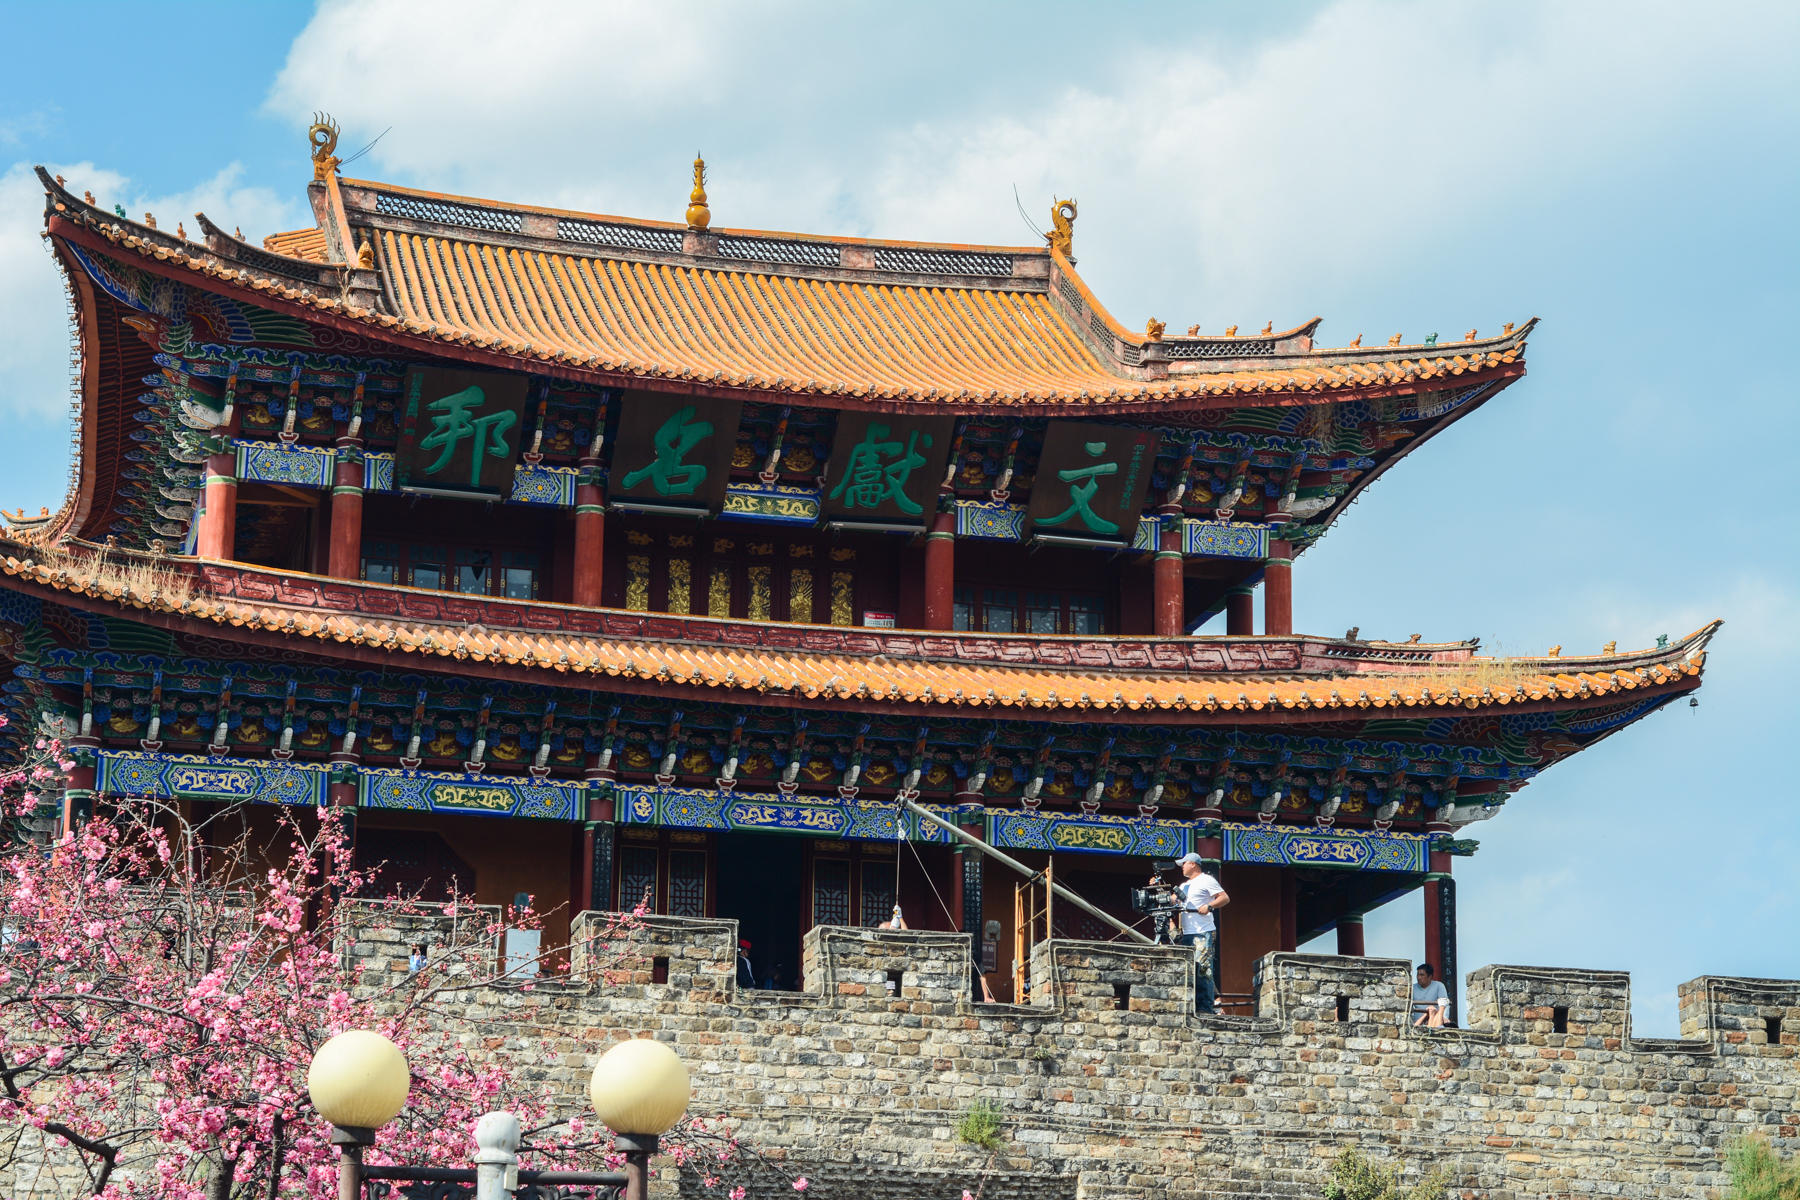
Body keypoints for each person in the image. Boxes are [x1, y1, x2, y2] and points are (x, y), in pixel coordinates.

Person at [1156, 852, 1229, 1014]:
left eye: (1184, 863)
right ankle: (1194, 1006)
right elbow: (1172, 900)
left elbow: (1224, 898)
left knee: (1203, 969)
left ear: (1193, 864)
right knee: (1190, 969)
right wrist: (1158, 886)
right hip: (1187, 933)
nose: (1182, 867)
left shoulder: (1206, 880)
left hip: (1202, 932)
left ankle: (1205, 1008)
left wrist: (1209, 906)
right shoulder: (1184, 886)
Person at [1412, 963, 1450, 1028]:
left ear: (1430, 976)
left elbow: (1444, 1004)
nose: (1419, 977)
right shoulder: (1412, 988)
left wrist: (1445, 1018)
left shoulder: (1439, 986)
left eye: (1422, 975)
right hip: (1418, 1022)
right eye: (1418, 974)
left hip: (1434, 1022)